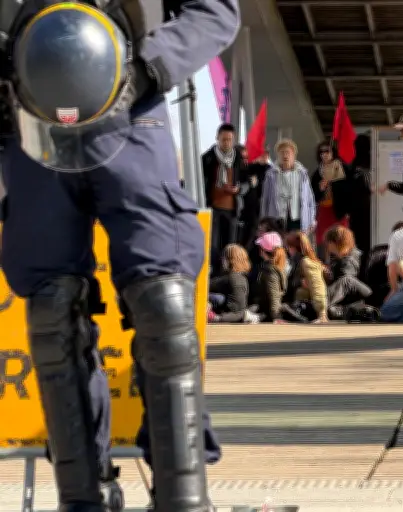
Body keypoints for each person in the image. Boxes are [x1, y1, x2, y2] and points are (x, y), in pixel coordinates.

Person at [0, 0, 239, 510]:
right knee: (50, 309)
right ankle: (84, 496)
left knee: (164, 301)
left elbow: (215, 10)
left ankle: (183, 497)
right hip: (28, 111)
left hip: (132, 107)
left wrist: (148, 69)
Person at [202, 124, 250, 271]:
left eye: (229, 139)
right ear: (217, 138)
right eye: (223, 139)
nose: (226, 143)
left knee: (230, 244)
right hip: (213, 208)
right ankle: (215, 272)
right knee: (213, 244)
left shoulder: (239, 159)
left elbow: (247, 182)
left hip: (232, 209)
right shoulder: (207, 158)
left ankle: (230, 271)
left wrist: (239, 189)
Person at [260, 138, 317, 235]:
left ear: (294, 155)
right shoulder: (271, 175)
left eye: (288, 152)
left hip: (297, 217)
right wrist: (263, 221)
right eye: (282, 152)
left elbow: (310, 199)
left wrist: (311, 219)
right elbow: (265, 199)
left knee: (296, 245)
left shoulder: (302, 174)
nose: (285, 155)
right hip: (276, 218)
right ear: (278, 155)